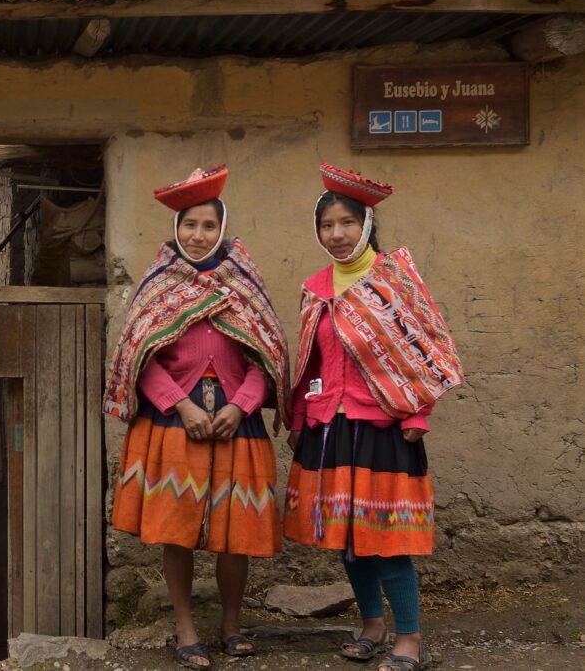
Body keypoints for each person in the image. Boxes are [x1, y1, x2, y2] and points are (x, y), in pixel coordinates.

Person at [104, 165, 290, 670]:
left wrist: (240, 405)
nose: (199, 235)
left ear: (222, 229)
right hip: (172, 420)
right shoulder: (158, 283)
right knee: (176, 527)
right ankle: (185, 628)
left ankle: (231, 625)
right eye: (190, 225)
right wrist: (179, 404)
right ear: (177, 229)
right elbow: (137, 356)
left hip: (237, 420)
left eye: (209, 226)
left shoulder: (244, 282)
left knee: (237, 533)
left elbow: (268, 356)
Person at [284, 164, 465, 671]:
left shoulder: (394, 281)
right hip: (332, 428)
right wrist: (300, 417)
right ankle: (371, 626)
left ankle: (409, 638)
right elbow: (310, 361)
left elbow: (427, 351)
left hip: (386, 426)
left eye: (345, 223)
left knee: (385, 539)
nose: (336, 234)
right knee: (346, 537)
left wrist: (419, 414)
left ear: (364, 224)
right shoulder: (316, 287)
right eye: (327, 226)